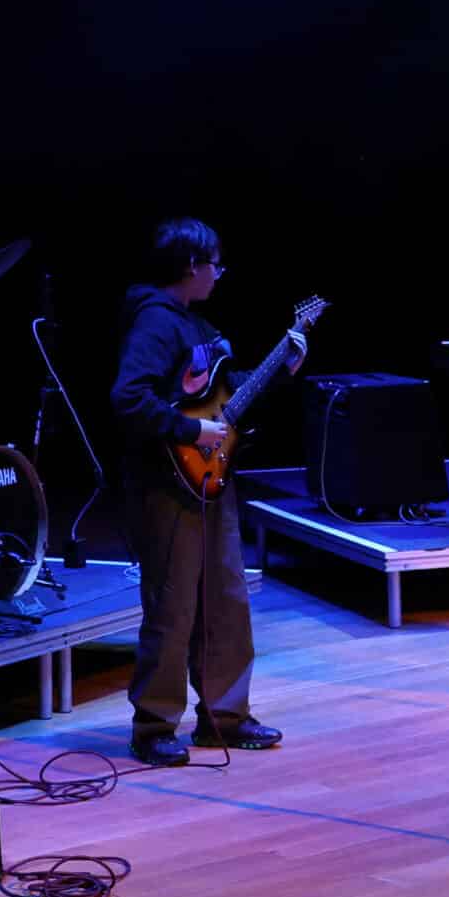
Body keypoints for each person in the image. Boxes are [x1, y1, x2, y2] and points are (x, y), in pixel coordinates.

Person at [109, 218, 302, 765]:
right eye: (215, 264)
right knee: (172, 607)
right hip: (165, 486)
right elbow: (129, 398)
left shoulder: (197, 325)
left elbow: (223, 395)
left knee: (226, 601)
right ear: (191, 265)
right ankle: (153, 727)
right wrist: (191, 431)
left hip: (209, 482)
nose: (220, 274)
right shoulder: (155, 322)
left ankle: (225, 717)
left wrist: (281, 370)